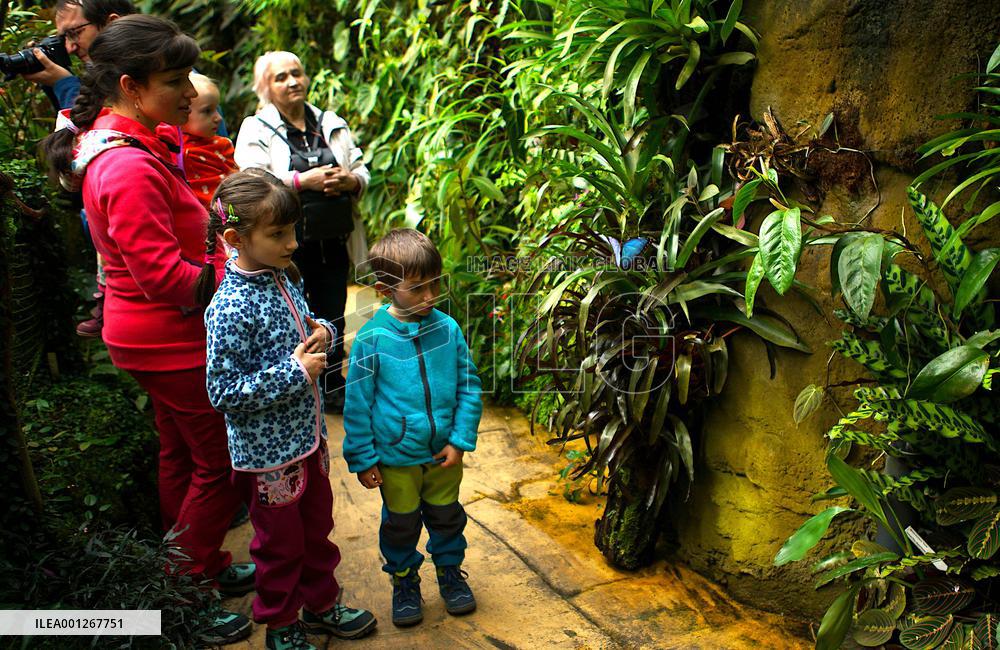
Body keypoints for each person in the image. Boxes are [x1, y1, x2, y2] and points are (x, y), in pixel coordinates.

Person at [42, 15, 252, 645]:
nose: (190, 94)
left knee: (181, 452)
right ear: (131, 87)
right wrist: (238, 272)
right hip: (170, 338)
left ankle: (203, 565)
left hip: (151, 337)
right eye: (175, 81)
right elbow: (166, 277)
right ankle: (183, 589)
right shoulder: (126, 167)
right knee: (221, 464)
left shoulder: (127, 144)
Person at [200, 169, 377, 650]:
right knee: (279, 546)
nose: (293, 243)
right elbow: (223, 391)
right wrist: (296, 373)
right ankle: (280, 624)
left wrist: (322, 331)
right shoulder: (230, 306)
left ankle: (322, 605)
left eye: (293, 230)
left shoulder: (282, 277)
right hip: (267, 459)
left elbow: (304, 327)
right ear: (236, 238)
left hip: (308, 440)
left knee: (318, 531)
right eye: (278, 234)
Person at [343, 228, 483, 627]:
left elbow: (469, 386)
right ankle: (404, 581)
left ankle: (450, 574)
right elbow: (358, 404)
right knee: (401, 524)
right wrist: (364, 458)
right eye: (418, 288)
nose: (430, 296)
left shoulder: (449, 329)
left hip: (443, 456)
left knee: (447, 517)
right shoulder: (371, 339)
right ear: (385, 288)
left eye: (435, 284)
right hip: (396, 458)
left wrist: (459, 440)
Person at [234, 50, 369, 414]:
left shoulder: (329, 122)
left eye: (297, 73)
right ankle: (298, 382)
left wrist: (350, 179)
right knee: (293, 313)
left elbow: (361, 169)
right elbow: (251, 179)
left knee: (333, 311)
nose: (292, 81)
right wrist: (299, 180)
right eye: (281, 77)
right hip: (286, 245)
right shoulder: (256, 128)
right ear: (266, 86)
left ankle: (333, 385)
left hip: (332, 239)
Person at [180, 73, 238, 208]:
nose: (218, 118)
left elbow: (237, 184)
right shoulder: (176, 153)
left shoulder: (222, 144)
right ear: (182, 111)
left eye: (216, 109)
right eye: (207, 111)